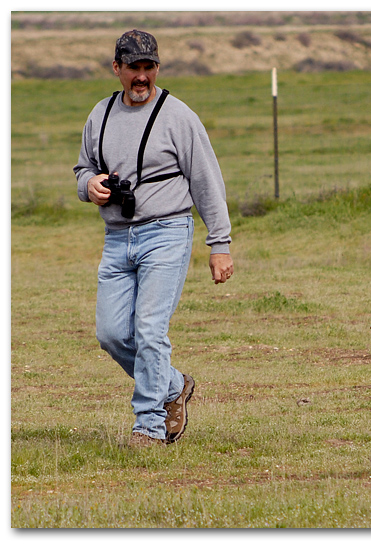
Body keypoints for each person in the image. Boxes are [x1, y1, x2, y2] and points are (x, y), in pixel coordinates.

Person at [74, 30, 233, 447]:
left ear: (157, 68)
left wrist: (220, 244)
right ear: (117, 69)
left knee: (149, 330)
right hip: (116, 237)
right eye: (133, 68)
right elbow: (82, 169)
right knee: (111, 334)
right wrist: (89, 185)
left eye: (149, 67)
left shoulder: (178, 115)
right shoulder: (101, 113)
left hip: (167, 232)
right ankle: (174, 385)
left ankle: (148, 425)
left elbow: (207, 182)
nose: (141, 77)